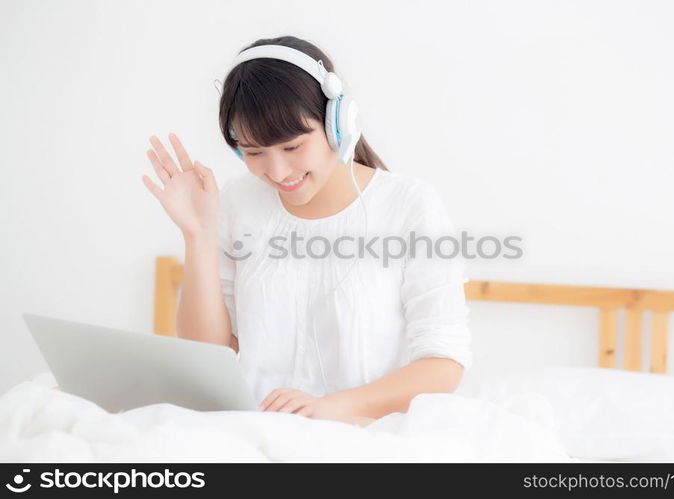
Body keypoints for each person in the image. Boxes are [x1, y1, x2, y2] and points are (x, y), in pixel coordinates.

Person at [142, 35, 472, 427]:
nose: (277, 172)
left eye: (293, 147)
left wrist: (332, 406)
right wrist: (197, 235)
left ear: (338, 124)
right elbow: (210, 353)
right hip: (249, 432)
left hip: (363, 437)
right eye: (253, 153)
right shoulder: (237, 200)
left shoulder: (409, 205)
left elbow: (443, 364)